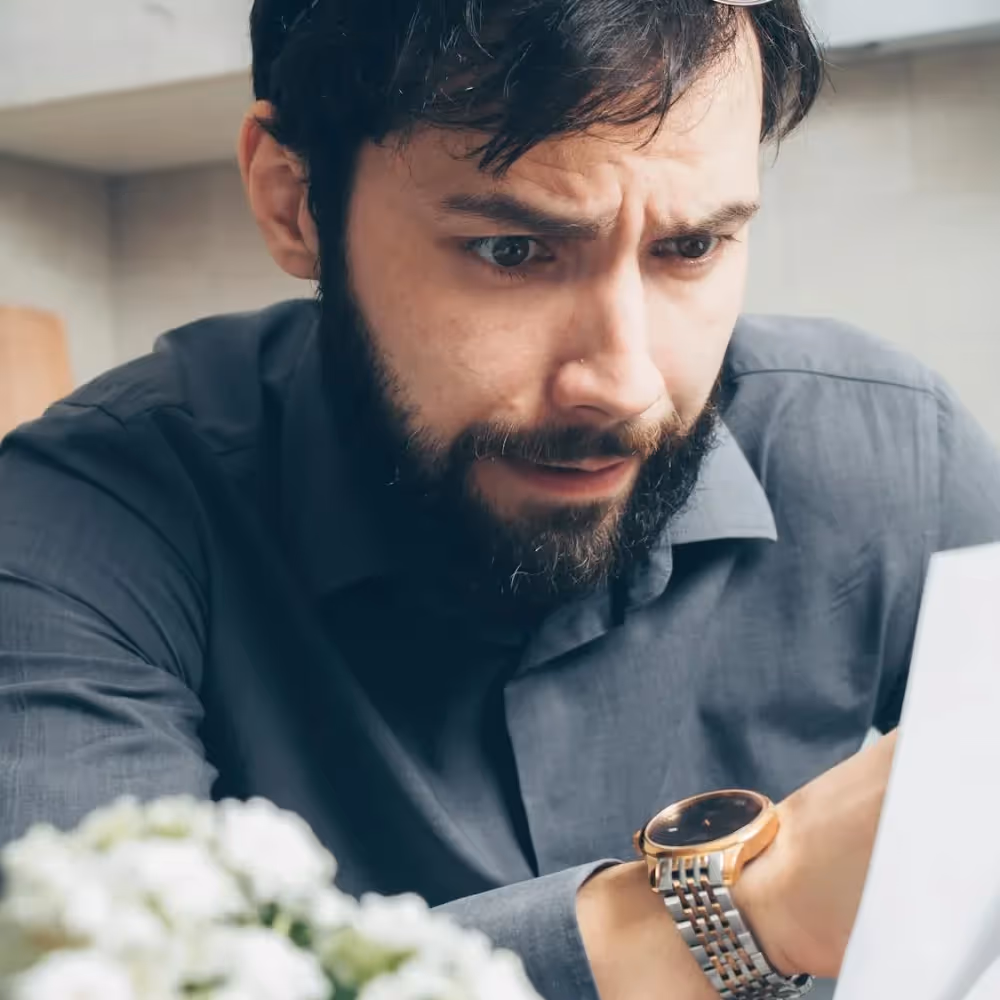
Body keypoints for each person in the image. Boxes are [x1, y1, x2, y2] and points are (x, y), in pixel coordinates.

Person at [0, 0, 998, 997]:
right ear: (292, 197)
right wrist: (749, 905)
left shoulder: (889, 450)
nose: (623, 381)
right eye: (513, 251)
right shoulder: (76, 521)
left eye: (688, 250)